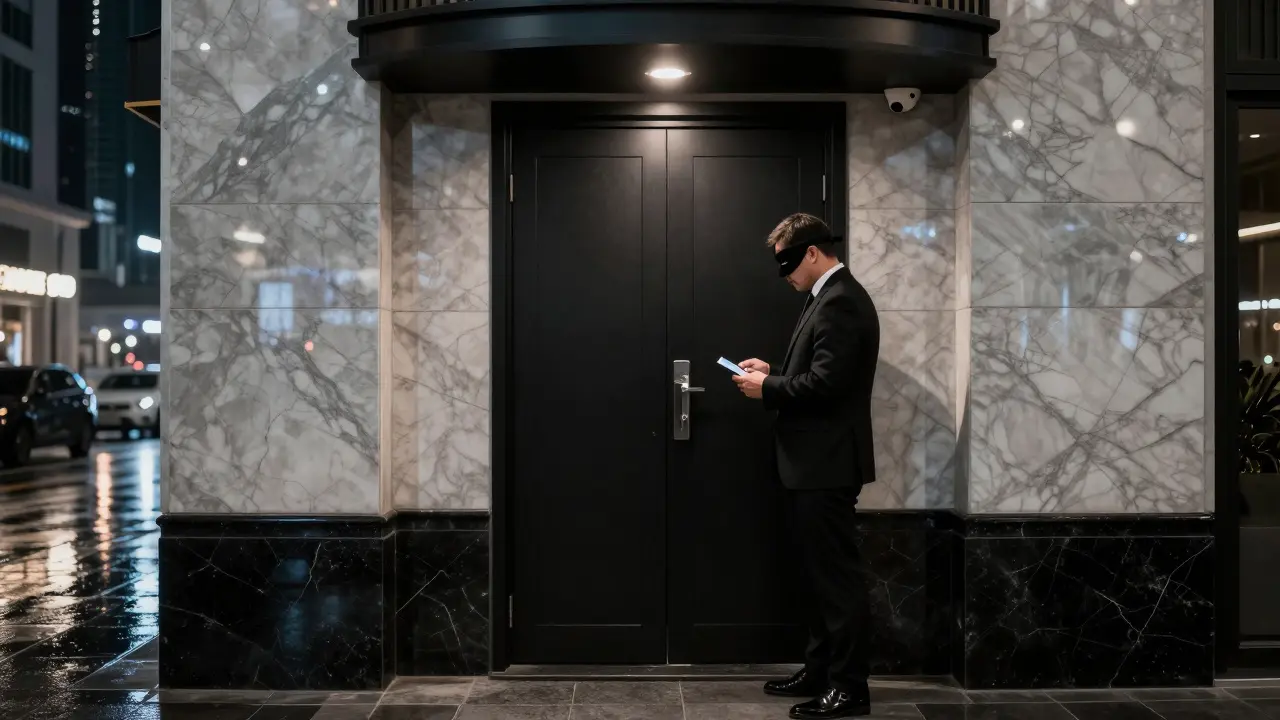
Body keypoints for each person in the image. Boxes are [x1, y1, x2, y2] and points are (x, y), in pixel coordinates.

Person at [733, 212, 880, 719]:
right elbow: (820, 372)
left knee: (836, 582)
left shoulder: (841, 301)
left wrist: (768, 389)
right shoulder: (828, 297)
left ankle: (849, 688)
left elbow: (827, 387)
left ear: (812, 252)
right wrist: (773, 372)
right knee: (820, 579)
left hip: (826, 464)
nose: (785, 276)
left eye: (788, 264)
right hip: (815, 463)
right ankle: (819, 672)